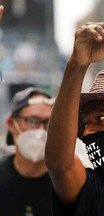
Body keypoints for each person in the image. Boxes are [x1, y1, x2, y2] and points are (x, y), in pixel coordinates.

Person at [45, 22, 104, 215]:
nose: (86, 132)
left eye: (101, 118)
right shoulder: (95, 190)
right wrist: (77, 64)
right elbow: (60, 166)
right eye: (84, 124)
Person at [0, 87, 55, 216]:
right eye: (33, 121)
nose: (41, 130)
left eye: (48, 122)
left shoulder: (65, 182)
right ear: (12, 124)